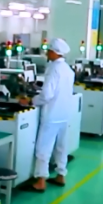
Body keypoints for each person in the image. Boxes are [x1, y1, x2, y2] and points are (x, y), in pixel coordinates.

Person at [21, 38, 76, 191]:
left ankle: (41, 181)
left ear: (54, 52)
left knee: (43, 148)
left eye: (48, 50)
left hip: (52, 114)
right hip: (64, 113)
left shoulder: (53, 69)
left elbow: (47, 95)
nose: (46, 53)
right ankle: (61, 175)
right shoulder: (67, 69)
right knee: (61, 146)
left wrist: (31, 101)